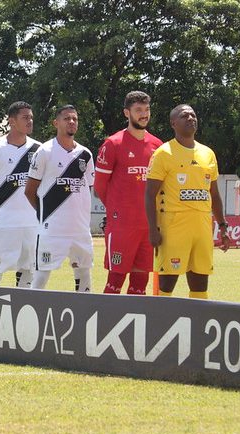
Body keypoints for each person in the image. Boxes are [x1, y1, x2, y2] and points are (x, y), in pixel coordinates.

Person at [145, 104, 231, 298]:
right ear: (173, 123)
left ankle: (198, 326)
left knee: (200, 283)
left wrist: (223, 226)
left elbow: (214, 195)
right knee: (167, 283)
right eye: (185, 115)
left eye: (193, 114)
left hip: (201, 226)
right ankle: (160, 324)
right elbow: (149, 194)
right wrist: (152, 230)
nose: (191, 118)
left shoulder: (208, 153)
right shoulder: (163, 153)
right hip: (174, 226)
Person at [94, 91, 163, 295]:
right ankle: (105, 323)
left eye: (147, 110)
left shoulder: (157, 146)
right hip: (122, 225)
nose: (144, 115)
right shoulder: (112, 144)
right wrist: (117, 210)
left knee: (140, 282)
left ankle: (134, 326)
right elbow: (100, 186)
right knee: (115, 280)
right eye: (138, 110)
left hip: (147, 226)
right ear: (127, 113)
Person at [25, 105, 95, 292]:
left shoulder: (85, 154)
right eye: (67, 119)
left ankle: (83, 314)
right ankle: (31, 315)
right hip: (52, 230)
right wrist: (45, 212)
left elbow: (87, 189)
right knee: (40, 278)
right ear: (56, 123)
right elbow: (29, 190)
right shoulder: (44, 151)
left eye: (75, 119)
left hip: (80, 230)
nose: (71, 122)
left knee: (84, 276)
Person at [0, 101, 41, 287]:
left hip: (32, 224)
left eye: (31, 117)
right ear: (12, 121)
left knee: (28, 274)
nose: (30, 121)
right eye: (25, 117)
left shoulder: (39, 149)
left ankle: (23, 315)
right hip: (4, 225)